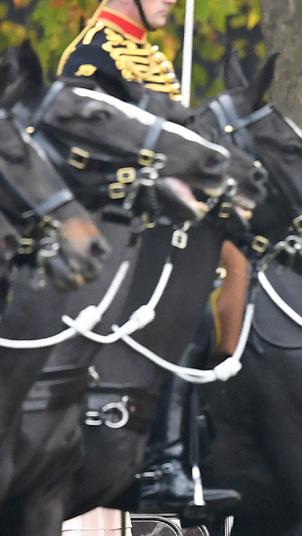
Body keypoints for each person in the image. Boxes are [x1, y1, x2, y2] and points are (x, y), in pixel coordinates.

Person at [57, 0, 240, 512]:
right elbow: (83, 143)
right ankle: (162, 460)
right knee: (180, 320)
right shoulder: (93, 53)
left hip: (160, 221)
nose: (172, 2)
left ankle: (187, 453)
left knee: (201, 314)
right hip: (113, 223)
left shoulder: (148, 57)